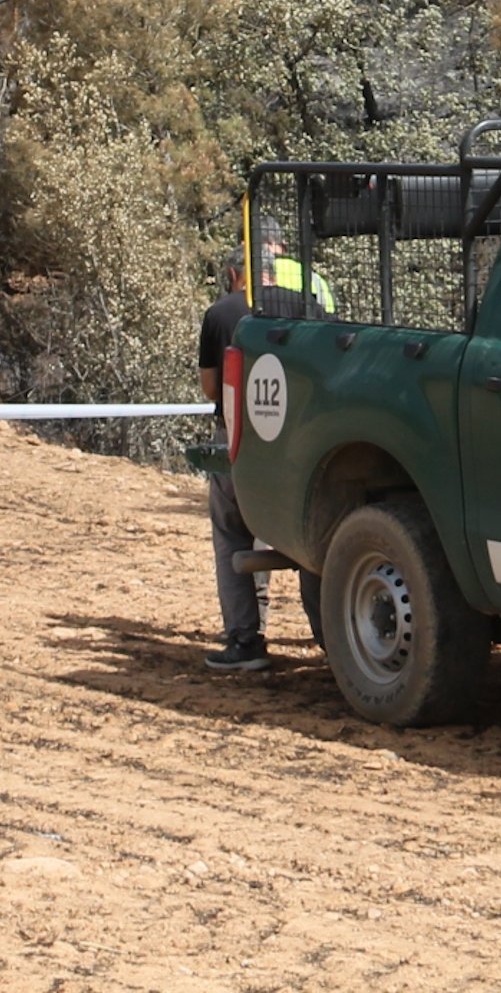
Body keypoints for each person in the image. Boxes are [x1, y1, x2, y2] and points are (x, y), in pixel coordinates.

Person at [197, 219, 323, 672]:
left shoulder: (221, 313)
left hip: (238, 439)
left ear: (235, 274)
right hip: (300, 443)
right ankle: (332, 638)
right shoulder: (306, 305)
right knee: (314, 538)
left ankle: (246, 641)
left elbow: (212, 388)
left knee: (232, 535)